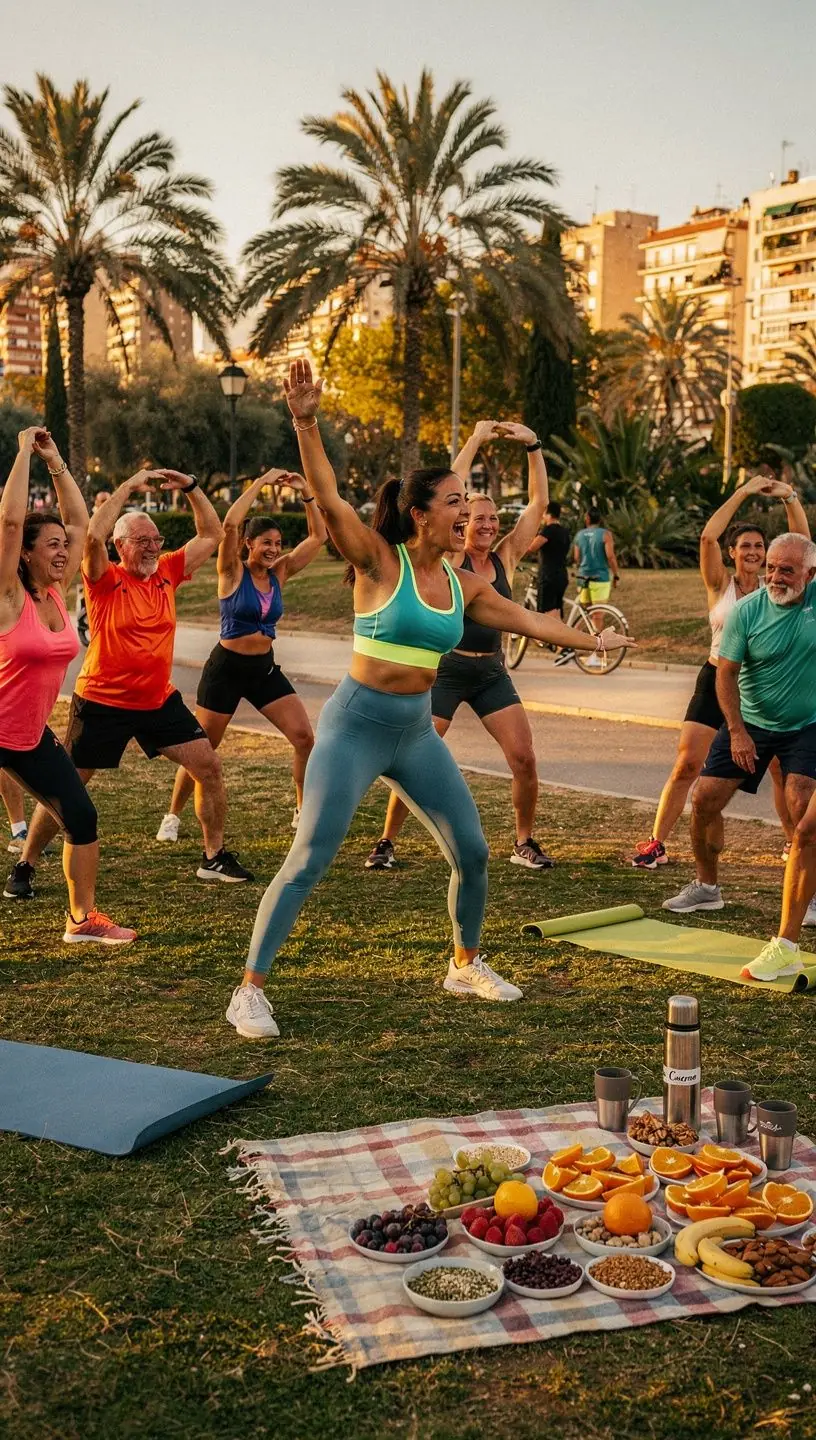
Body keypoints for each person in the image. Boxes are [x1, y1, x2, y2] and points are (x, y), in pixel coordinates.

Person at [226, 361, 633, 1040]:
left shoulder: (465, 583)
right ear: (421, 513)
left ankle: (464, 962)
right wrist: (304, 420)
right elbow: (326, 496)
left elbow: (532, 621)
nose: (466, 510)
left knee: (472, 851)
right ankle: (250, 989)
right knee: (310, 856)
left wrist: (597, 642)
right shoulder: (378, 559)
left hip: (416, 733)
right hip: (355, 726)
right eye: (453, 500)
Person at [8, 467, 253, 896]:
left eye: (157, 540)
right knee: (67, 786)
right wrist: (127, 487)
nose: (154, 547)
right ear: (121, 546)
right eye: (143, 541)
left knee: (209, 766)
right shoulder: (104, 577)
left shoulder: (168, 571)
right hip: (102, 700)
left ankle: (213, 857)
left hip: (158, 701)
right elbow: (91, 537)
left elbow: (211, 534)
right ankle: (26, 864)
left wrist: (193, 488)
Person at [365, 419, 555, 873]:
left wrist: (533, 445)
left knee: (524, 757)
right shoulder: (451, 558)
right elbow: (448, 489)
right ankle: (386, 841)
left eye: (493, 518)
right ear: (461, 522)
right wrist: (474, 439)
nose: (487, 525)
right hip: (447, 672)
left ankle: (524, 841)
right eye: (477, 518)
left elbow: (539, 503)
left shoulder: (507, 556)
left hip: (491, 672)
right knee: (410, 757)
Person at [632, 474, 808, 869]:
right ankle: (656, 842)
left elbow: (803, 546)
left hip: (763, 686)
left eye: (759, 546)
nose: (753, 551)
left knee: (782, 771)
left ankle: (791, 843)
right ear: (732, 552)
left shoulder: (776, 586)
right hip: (716, 679)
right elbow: (707, 538)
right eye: (745, 545)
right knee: (688, 764)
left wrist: (789, 498)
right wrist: (743, 492)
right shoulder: (719, 584)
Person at [0, 428, 135, 942]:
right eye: (52, 545)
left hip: (30, 736)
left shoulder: (58, 592)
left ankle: (82, 921)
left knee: (81, 815)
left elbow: (81, 521)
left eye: (64, 546)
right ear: (26, 553)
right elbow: (11, 520)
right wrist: (21, 454)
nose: (64, 550)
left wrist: (55, 460)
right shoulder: (7, 593)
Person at [663, 533, 816, 982]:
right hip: (751, 722)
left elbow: (802, 528)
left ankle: (797, 917)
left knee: (801, 809)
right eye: (771, 566)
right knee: (705, 799)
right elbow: (724, 674)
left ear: (810, 573)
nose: (774, 576)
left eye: (787, 569)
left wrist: (789, 497)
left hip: (806, 724)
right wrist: (736, 732)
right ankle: (708, 887)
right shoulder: (747, 611)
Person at [156, 467, 326, 841]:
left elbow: (318, 536)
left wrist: (306, 492)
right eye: (265, 542)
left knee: (304, 738)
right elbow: (230, 524)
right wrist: (260, 482)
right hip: (226, 670)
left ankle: (301, 810)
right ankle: (172, 815)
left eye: (278, 543)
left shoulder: (279, 573)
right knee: (202, 749)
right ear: (248, 543)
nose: (273, 550)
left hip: (263, 669)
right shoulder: (231, 571)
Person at [526, 499, 572, 618]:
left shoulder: (549, 530)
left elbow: (531, 547)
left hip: (548, 576)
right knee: (556, 611)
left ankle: (545, 637)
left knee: (545, 616)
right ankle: (559, 636)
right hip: (561, 575)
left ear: (548, 513)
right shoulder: (564, 531)